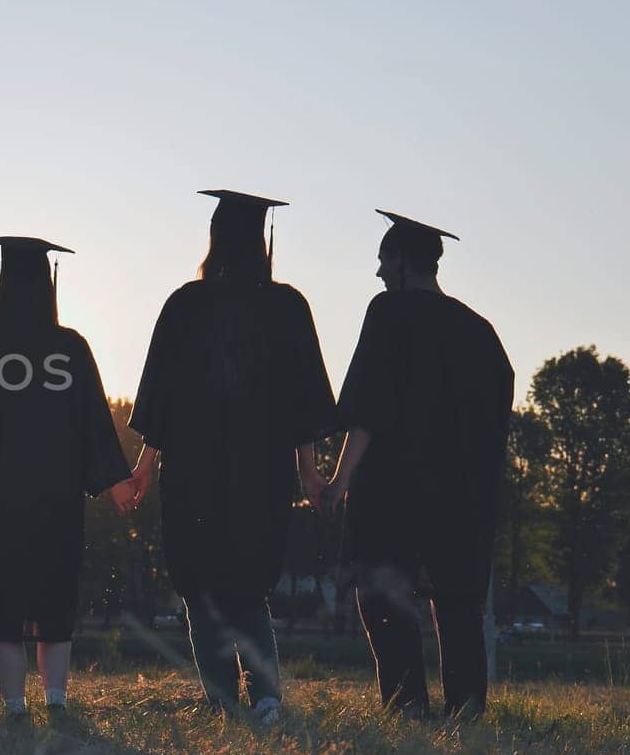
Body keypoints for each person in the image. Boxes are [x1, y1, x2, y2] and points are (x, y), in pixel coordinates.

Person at [122, 190, 337, 724]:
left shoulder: (185, 304)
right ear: (262, 243)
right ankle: (265, 696)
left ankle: (221, 698)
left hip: (195, 469)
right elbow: (303, 401)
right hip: (263, 471)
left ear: (215, 240)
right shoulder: (288, 306)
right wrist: (309, 471)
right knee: (248, 583)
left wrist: (146, 464)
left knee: (201, 584)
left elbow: (160, 399)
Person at [0, 236, 130, 716]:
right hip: (54, 501)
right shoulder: (69, 347)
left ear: (0, 285)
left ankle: (14, 706)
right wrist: (116, 479)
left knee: (1, 601)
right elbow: (95, 419)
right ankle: (56, 701)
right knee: (52, 597)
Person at [323, 210, 512, 719]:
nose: (380, 272)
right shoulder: (480, 331)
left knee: (383, 597)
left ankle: (407, 708)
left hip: (392, 487)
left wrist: (339, 481)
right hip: (464, 494)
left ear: (403, 260)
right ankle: (466, 709)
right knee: (458, 602)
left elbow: (366, 406)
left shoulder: (389, 311)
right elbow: (498, 421)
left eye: (384, 260)